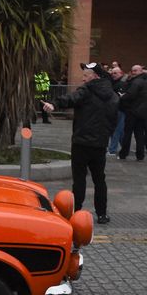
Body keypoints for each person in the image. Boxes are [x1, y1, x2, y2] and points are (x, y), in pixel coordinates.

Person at [42, 62, 118, 224]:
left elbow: (71, 98)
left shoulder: (87, 90)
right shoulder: (112, 94)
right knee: (99, 180)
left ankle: (76, 211)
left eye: (86, 76)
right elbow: (114, 120)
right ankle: (102, 214)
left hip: (81, 143)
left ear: (95, 76)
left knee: (79, 179)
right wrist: (105, 134)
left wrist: (54, 104)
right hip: (99, 144)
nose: (83, 79)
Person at [118, 65, 146, 161]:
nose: (133, 72)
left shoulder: (136, 82)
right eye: (132, 70)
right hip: (142, 112)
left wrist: (122, 97)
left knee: (128, 133)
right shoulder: (143, 81)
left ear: (141, 71)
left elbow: (131, 94)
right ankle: (140, 155)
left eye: (135, 71)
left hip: (132, 111)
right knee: (139, 134)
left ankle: (123, 154)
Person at [108, 67, 127, 155]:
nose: (113, 75)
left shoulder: (122, 84)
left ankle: (112, 149)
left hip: (120, 109)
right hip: (115, 109)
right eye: (112, 73)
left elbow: (121, 97)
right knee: (119, 130)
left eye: (115, 73)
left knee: (116, 130)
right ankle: (125, 146)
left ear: (121, 73)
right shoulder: (114, 83)